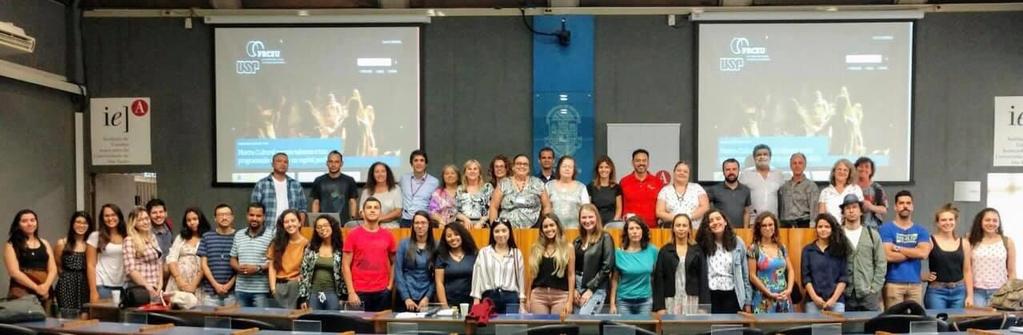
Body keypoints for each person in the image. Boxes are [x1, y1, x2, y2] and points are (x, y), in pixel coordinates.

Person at [879, 190, 932, 309]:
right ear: (895, 207)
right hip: (893, 284)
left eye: (908, 203)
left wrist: (897, 248)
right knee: (894, 322)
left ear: (912, 206)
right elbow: (888, 256)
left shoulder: (921, 230)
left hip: (915, 284)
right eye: (901, 203)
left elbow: (923, 254)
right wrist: (914, 252)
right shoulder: (886, 229)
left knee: (914, 322)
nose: (905, 206)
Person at [343, 197, 398, 312]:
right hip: (359, 293)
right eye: (369, 207)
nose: (372, 210)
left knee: (381, 329)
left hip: (382, 292)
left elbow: (395, 262)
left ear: (380, 213)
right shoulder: (353, 235)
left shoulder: (388, 235)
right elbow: (345, 265)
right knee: (359, 328)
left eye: (376, 208)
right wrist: (351, 292)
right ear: (362, 212)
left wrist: (389, 287)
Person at [696, 209, 752, 313]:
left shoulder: (738, 242)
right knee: (712, 328)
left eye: (718, 219)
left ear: (725, 222)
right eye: (711, 221)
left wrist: (747, 301)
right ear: (707, 226)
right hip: (710, 295)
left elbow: (745, 275)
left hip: (733, 294)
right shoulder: (702, 244)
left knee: (732, 328)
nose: (715, 222)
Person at [652, 214, 709, 316]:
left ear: (689, 229)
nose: (681, 229)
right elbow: (658, 281)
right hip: (670, 300)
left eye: (684, 225)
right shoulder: (664, 251)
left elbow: (703, 279)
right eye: (678, 225)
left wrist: (703, 306)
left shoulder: (697, 250)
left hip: (692, 301)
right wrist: (659, 307)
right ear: (673, 229)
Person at [839, 194, 886, 311]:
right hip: (845, 293)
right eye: (847, 208)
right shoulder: (837, 236)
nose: (851, 211)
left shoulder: (872, 234)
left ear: (861, 211)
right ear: (843, 212)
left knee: (872, 327)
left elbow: (881, 262)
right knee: (847, 328)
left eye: (854, 207)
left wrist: (874, 288)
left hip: (868, 293)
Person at [5, 209, 57, 312]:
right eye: (24, 221)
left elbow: (53, 268)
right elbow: (14, 272)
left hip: (45, 291)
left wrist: (45, 287)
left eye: (32, 220)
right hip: (21, 292)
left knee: (47, 324)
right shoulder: (11, 245)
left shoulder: (44, 243)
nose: (29, 223)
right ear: (18, 224)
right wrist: (36, 288)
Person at [471, 219, 527, 313]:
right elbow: (477, 278)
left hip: (511, 298)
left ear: (509, 232)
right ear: (492, 233)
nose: (501, 234)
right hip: (489, 297)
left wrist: (522, 304)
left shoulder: (517, 253)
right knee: (488, 327)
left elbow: (520, 280)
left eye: (504, 230)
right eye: (497, 231)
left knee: (510, 325)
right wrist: (476, 301)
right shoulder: (484, 252)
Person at [924, 204, 973, 309]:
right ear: (937, 223)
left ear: (955, 221)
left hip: (959, 291)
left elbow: (967, 271)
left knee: (956, 324)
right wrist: (921, 276)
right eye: (943, 220)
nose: (948, 223)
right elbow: (916, 258)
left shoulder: (964, 243)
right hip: (936, 292)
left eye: (951, 219)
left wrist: (970, 296)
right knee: (938, 323)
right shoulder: (930, 241)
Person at [527, 213, 575, 315]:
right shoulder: (535, 248)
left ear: (558, 226)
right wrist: (527, 299)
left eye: (552, 225)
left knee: (557, 329)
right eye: (545, 226)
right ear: (541, 230)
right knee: (540, 329)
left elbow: (571, 275)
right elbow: (531, 275)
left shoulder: (568, 247)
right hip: (538, 296)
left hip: (561, 296)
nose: (549, 229)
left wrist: (570, 301)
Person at [609, 217, 658, 315]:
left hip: (645, 301)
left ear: (643, 231)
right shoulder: (618, 253)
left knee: (643, 330)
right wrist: (612, 304)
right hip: (623, 301)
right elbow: (614, 279)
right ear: (626, 232)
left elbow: (657, 277)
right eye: (631, 229)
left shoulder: (653, 251)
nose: (635, 231)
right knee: (626, 330)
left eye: (638, 228)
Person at [748, 212, 795, 313]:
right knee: (765, 328)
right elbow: (752, 275)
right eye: (764, 225)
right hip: (763, 299)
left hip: (783, 297)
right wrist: (768, 293)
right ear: (758, 228)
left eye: (770, 225)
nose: (768, 228)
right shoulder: (753, 249)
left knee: (786, 328)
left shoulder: (781, 247)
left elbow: (790, 270)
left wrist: (789, 290)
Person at [802, 214, 850, 312]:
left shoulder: (840, 249)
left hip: (836, 302)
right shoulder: (808, 250)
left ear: (832, 229)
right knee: (814, 328)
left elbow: (843, 278)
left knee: (834, 328)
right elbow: (806, 278)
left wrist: (833, 299)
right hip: (813, 302)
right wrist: (815, 298)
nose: (823, 229)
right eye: (820, 227)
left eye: (827, 227)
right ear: (816, 229)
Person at [969, 208, 1016, 307]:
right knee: (977, 322)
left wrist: (1010, 293)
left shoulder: (1007, 241)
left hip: (1000, 293)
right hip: (977, 292)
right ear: (980, 221)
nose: (991, 223)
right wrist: (969, 294)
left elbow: (1012, 271)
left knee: (999, 322)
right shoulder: (971, 241)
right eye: (987, 220)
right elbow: (967, 269)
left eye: (995, 220)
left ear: (999, 223)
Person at [573, 204, 615, 315]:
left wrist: (591, 289)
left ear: (597, 218)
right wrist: (573, 289)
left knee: (584, 318)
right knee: (576, 322)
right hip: (577, 287)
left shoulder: (605, 238)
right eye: (584, 217)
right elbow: (571, 267)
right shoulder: (577, 241)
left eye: (590, 217)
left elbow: (607, 267)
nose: (587, 220)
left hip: (596, 288)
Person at [297, 215, 346, 310]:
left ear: (332, 226)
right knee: (314, 322)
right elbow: (304, 273)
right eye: (318, 227)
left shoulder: (341, 249)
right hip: (313, 294)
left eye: (325, 225)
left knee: (333, 322)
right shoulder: (311, 248)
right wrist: (303, 298)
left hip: (334, 294)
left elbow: (344, 273)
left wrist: (344, 296)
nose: (322, 229)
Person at [490, 154, 551, 229]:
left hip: (534, 228)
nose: (522, 166)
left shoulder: (538, 183)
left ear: (528, 168)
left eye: (525, 164)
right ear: (513, 167)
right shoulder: (503, 183)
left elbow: (547, 206)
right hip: (506, 229)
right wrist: (494, 227)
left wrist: (546, 225)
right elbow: (493, 207)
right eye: (519, 164)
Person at [230, 203, 273, 307]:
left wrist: (257, 268)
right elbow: (232, 259)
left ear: (264, 217)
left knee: (260, 321)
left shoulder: (271, 235)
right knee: (240, 322)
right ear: (247, 216)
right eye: (251, 215)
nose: (254, 218)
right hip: (240, 289)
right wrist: (238, 267)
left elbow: (274, 262)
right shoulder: (239, 234)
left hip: (261, 290)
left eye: (258, 216)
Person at [165, 208, 211, 302]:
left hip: (198, 284)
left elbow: (207, 263)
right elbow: (171, 259)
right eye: (188, 220)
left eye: (195, 219)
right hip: (178, 282)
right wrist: (179, 280)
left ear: (201, 220)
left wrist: (194, 284)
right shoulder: (181, 237)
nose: (192, 222)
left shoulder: (208, 237)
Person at [251, 152, 308, 227]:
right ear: (272, 164)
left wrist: (299, 226)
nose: (282, 164)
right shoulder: (262, 184)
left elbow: (302, 209)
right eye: (279, 161)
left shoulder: (296, 185)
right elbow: (254, 208)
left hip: (291, 228)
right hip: (267, 228)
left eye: (285, 162)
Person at [394, 211, 436, 312]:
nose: (420, 226)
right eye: (416, 223)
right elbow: (398, 272)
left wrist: (427, 297)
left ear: (429, 224)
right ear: (412, 225)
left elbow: (437, 277)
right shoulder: (404, 244)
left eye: (423, 223)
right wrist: (406, 298)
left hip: (427, 297)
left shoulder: (436, 246)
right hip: (405, 297)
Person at [55, 211, 94, 317]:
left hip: (86, 283)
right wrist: (67, 279)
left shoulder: (91, 245)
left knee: (85, 316)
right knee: (67, 317)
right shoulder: (62, 243)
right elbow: (58, 266)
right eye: (78, 222)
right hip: (66, 284)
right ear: (72, 224)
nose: (81, 225)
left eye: (85, 223)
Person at [268, 209, 308, 308]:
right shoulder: (276, 243)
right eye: (286, 222)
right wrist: (273, 288)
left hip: (296, 286)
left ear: (299, 223)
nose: (290, 224)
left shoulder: (306, 244)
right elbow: (272, 266)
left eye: (293, 221)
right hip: (278, 285)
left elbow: (306, 270)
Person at [199, 203, 237, 307]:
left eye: (227, 214)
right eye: (220, 215)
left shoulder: (239, 237)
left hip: (232, 293)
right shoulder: (206, 237)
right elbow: (203, 265)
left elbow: (241, 265)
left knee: (234, 322)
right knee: (209, 322)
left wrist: (228, 286)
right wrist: (216, 285)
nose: (224, 217)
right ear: (215, 218)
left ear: (232, 217)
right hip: (210, 293)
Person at [87, 204, 127, 302]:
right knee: (105, 316)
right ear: (102, 218)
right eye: (107, 216)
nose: (110, 218)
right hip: (103, 285)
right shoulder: (95, 236)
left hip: (124, 285)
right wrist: (93, 291)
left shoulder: (127, 235)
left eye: (113, 215)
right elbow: (90, 265)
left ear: (119, 216)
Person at [434, 222, 478, 308]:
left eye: (456, 234)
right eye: (449, 236)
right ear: (445, 239)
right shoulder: (441, 256)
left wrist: (476, 303)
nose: (453, 238)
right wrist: (445, 307)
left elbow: (479, 282)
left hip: (471, 304)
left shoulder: (474, 254)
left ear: (462, 235)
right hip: (449, 304)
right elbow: (439, 283)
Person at [123, 206, 164, 300]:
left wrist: (160, 284)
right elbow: (130, 269)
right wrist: (148, 287)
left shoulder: (152, 238)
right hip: (139, 290)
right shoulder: (129, 240)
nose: (145, 222)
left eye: (146, 218)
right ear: (133, 223)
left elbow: (159, 261)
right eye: (140, 220)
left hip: (156, 288)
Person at [310, 150, 359, 224]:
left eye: (336, 162)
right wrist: (314, 221)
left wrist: (352, 220)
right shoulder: (319, 180)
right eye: (331, 161)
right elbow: (316, 202)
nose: (333, 164)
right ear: (327, 163)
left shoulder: (349, 180)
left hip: (343, 223)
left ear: (341, 164)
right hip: (323, 223)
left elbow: (352, 202)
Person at [657, 161, 710, 229]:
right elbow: (659, 212)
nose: (682, 173)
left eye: (685, 171)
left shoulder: (697, 188)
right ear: (673, 173)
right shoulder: (665, 190)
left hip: (695, 231)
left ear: (689, 174)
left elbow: (705, 207)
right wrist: (678, 219)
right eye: (679, 170)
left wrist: (688, 217)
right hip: (671, 231)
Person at [738, 144, 784, 222]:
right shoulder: (745, 174)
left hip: (772, 221)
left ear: (770, 157)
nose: (762, 157)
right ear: (754, 158)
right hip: (752, 221)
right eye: (758, 155)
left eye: (765, 154)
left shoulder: (778, 174)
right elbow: (739, 197)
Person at [620, 149, 664, 226]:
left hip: (653, 229)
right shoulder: (624, 182)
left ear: (648, 163)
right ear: (632, 162)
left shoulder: (658, 182)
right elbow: (619, 206)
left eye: (644, 160)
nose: (641, 163)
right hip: (630, 228)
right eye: (638, 160)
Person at [399, 149, 440, 228]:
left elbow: (435, 205)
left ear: (426, 164)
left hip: (423, 220)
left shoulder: (434, 182)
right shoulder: (403, 179)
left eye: (422, 160)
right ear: (411, 164)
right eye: (416, 160)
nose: (419, 163)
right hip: (405, 220)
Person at [705, 159, 751, 228]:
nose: (731, 172)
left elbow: (746, 212)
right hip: (720, 231)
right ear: (723, 172)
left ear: (739, 171)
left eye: (734, 169)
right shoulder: (714, 189)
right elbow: (705, 210)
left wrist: (745, 229)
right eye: (728, 169)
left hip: (740, 231)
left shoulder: (745, 190)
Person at [547, 156, 590, 229]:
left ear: (574, 170)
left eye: (570, 167)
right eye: (564, 166)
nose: (567, 169)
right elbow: (545, 208)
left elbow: (586, 210)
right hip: (553, 230)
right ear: (559, 168)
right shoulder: (549, 186)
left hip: (575, 229)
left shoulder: (581, 187)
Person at [779, 153, 819, 228]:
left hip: (803, 224)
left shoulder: (811, 186)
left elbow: (814, 210)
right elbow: (782, 209)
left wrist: (813, 227)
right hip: (786, 225)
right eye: (794, 163)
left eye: (800, 163)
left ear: (804, 166)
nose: (797, 166)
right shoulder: (784, 187)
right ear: (790, 166)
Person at [818, 159, 863, 224]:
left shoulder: (856, 189)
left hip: (850, 228)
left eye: (845, 170)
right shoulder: (825, 192)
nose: (842, 172)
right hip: (831, 230)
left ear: (849, 173)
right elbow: (821, 216)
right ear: (834, 172)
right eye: (839, 169)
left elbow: (859, 213)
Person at [358, 162, 403, 227]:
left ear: (387, 173)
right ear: (372, 174)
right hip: (369, 226)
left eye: (383, 171)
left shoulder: (395, 189)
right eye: (377, 172)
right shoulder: (366, 191)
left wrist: (379, 219)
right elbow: (361, 211)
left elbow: (398, 212)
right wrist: (371, 220)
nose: (380, 174)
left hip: (391, 227)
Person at [455, 159, 493, 229]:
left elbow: (492, 208)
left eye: (475, 169)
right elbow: (455, 210)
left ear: (479, 172)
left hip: (483, 224)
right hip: (463, 224)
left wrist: (481, 222)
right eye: (469, 169)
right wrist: (465, 219)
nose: (472, 171)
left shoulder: (487, 187)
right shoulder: (460, 189)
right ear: (465, 173)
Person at [587, 155, 623, 226]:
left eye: (607, 167)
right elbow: (588, 207)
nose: (604, 170)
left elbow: (619, 208)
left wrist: (614, 223)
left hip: (612, 225)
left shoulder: (617, 187)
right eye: (601, 167)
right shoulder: (590, 186)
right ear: (597, 169)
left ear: (611, 169)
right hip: (595, 224)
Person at [854, 157, 888, 229]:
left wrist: (871, 207)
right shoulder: (850, 188)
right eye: (860, 166)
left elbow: (884, 210)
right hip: (852, 226)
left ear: (871, 171)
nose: (863, 169)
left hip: (872, 227)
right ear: (856, 169)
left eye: (867, 167)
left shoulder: (877, 188)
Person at [429, 164, 460, 229]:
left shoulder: (464, 191)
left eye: (452, 173)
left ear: (458, 176)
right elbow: (432, 211)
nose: (450, 176)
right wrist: (441, 221)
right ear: (443, 177)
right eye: (446, 174)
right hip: (442, 226)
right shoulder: (437, 193)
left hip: (461, 226)